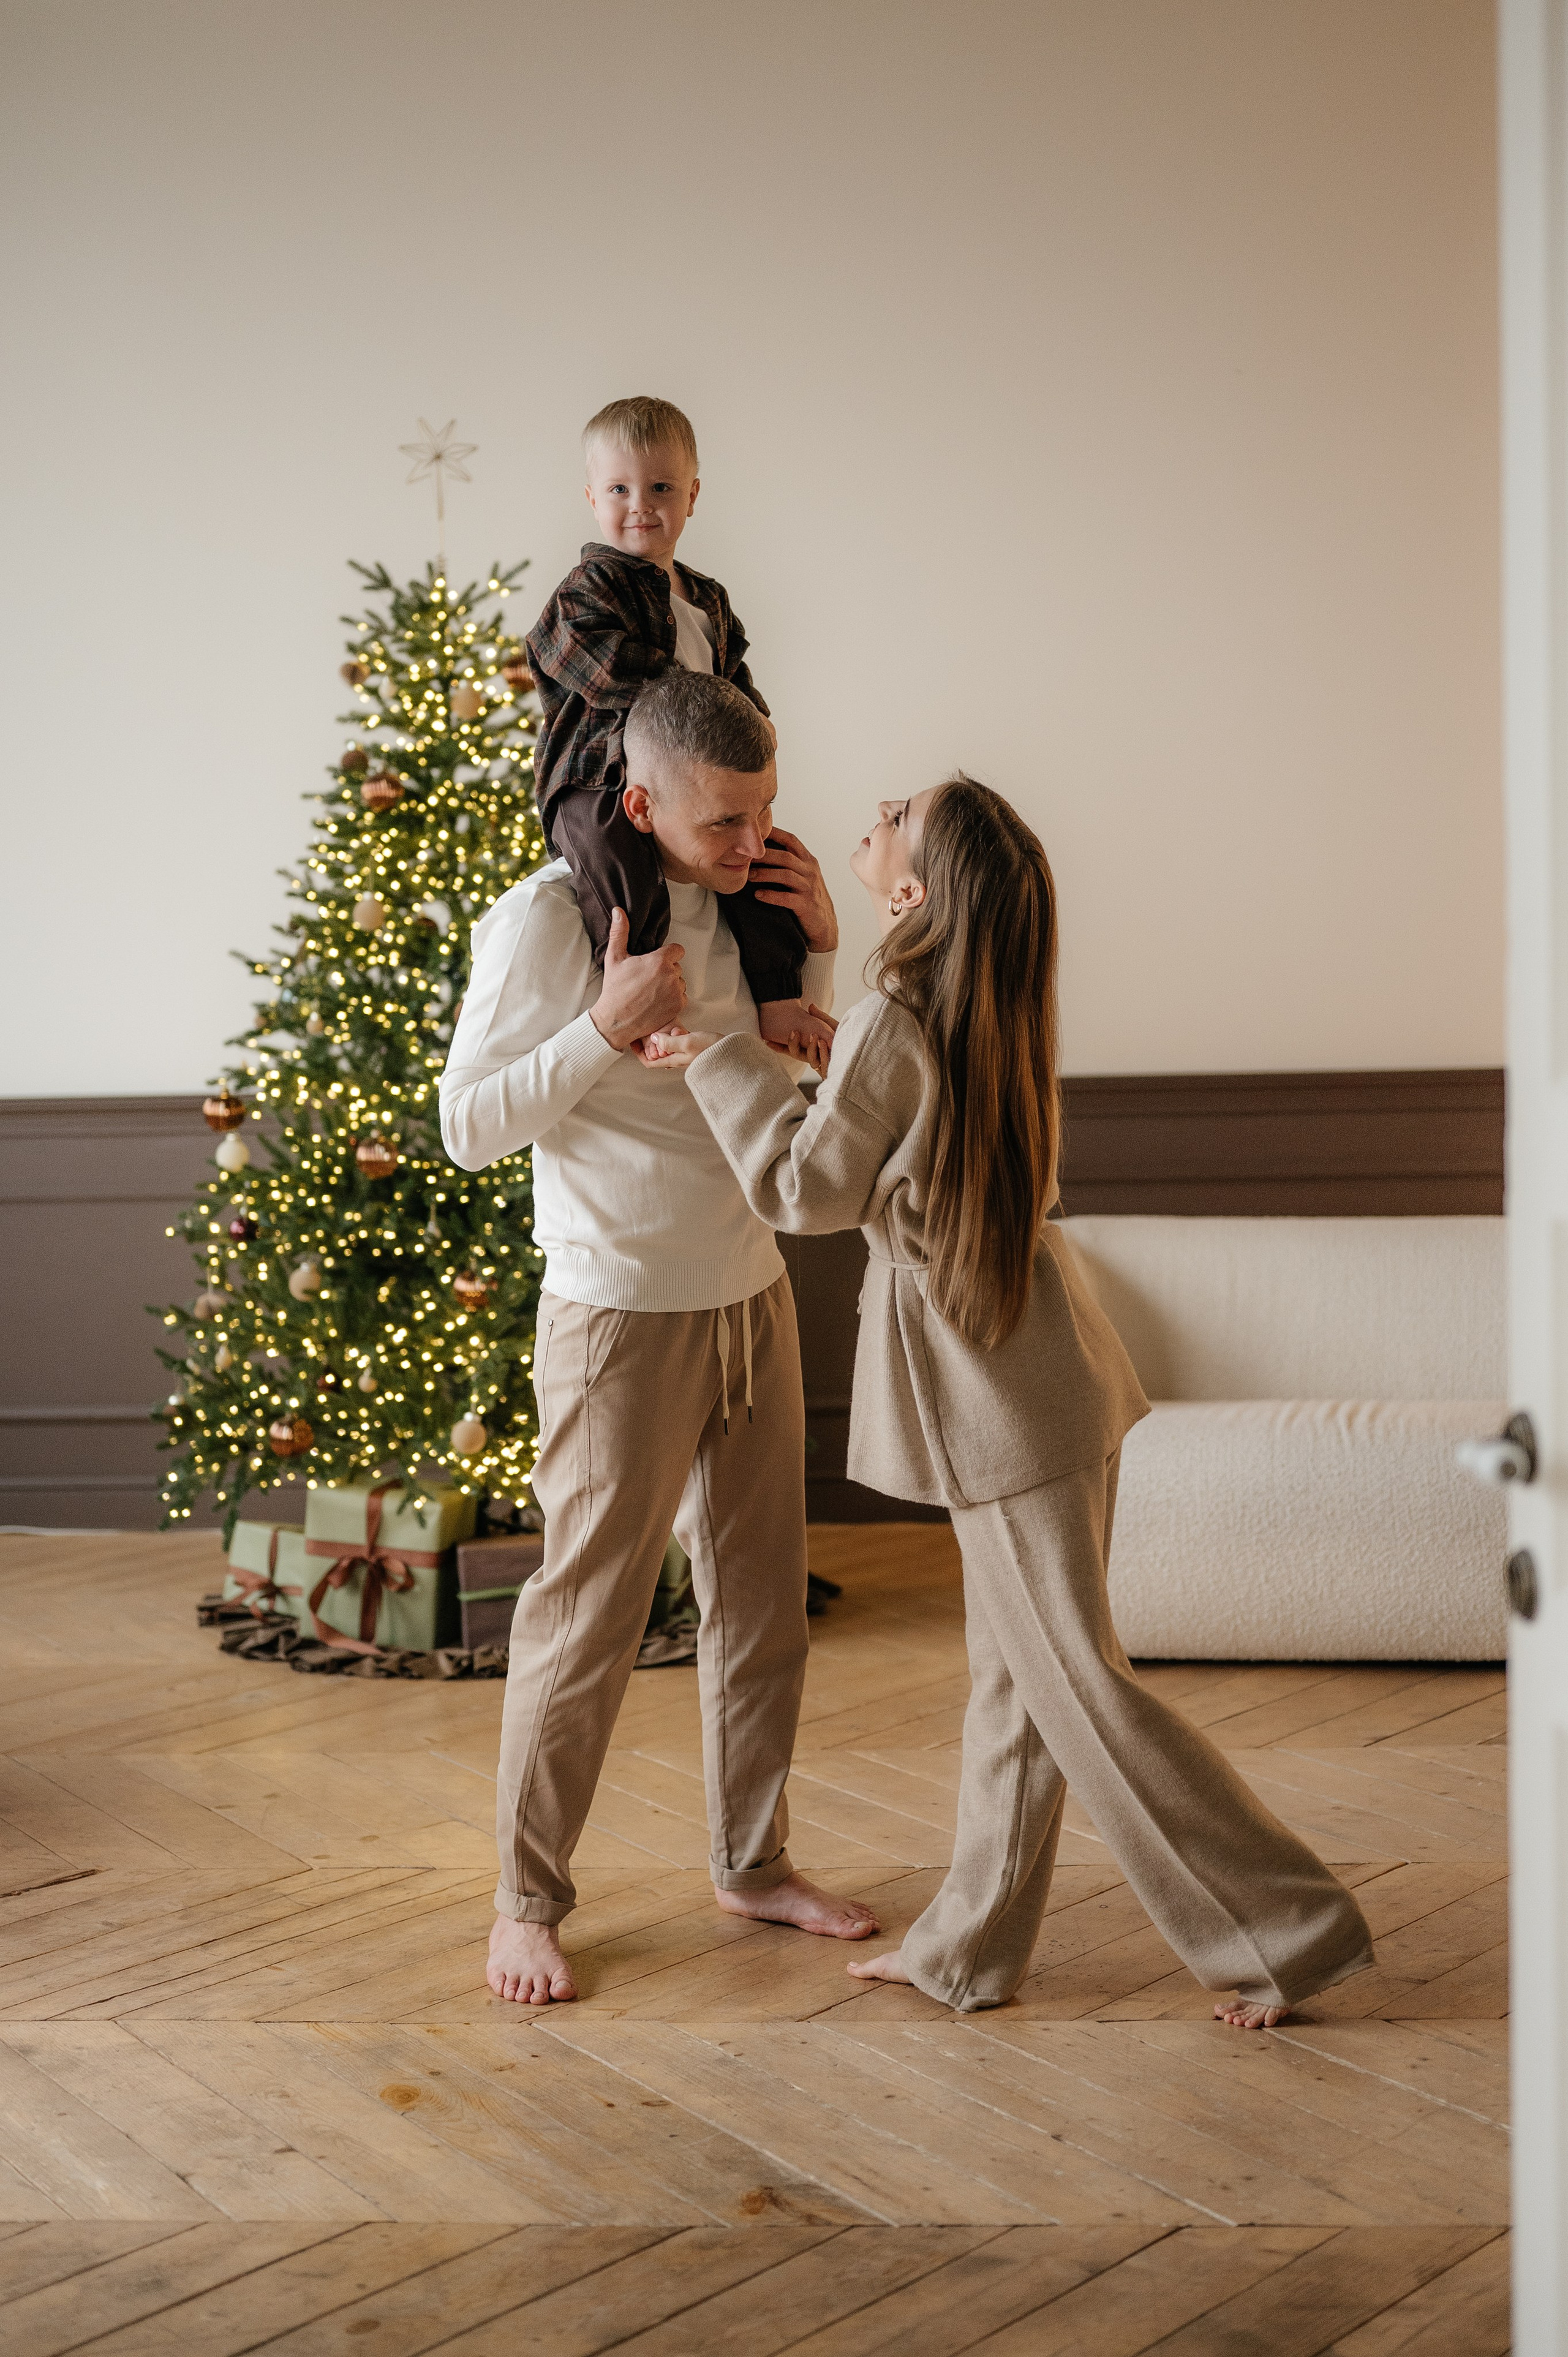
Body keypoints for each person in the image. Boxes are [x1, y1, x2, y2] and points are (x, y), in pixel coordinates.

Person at [646, 777, 1376, 2026]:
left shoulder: (896, 1014)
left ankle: (1283, 1930)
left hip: (999, 1398)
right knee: (1015, 1683)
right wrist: (826, 1068)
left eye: (894, 816)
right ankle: (966, 1950)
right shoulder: (968, 1003)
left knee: (1076, 1683)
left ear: (914, 891)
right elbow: (901, 1142)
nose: (870, 815)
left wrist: (720, 1064)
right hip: (1046, 1375)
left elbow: (807, 1193)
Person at [439, 668, 878, 2007]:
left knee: (762, 1613)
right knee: (585, 1620)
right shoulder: (546, 918)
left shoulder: (756, 912)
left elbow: (780, 1081)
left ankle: (750, 1861)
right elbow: (466, 1125)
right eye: (722, 822)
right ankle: (526, 1901)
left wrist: (819, 951)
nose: (752, 844)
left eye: (765, 814)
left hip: (748, 1291)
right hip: (614, 1313)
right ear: (638, 799)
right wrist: (593, 1028)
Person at [527, 394, 833, 1065]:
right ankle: (639, 996)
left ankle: (781, 997)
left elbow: (736, 672)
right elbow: (596, 669)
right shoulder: (588, 591)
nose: (641, 503)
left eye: (661, 487)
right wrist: (693, 706)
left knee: (757, 854)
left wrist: (752, 717)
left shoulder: (707, 599)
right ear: (591, 496)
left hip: (701, 788)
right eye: (619, 488)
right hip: (601, 782)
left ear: (692, 495)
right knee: (621, 873)